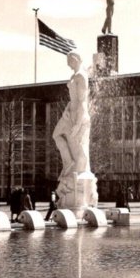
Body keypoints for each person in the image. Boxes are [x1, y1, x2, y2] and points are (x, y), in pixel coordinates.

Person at [53, 51, 92, 181]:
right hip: (70, 112)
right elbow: (72, 100)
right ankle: (68, 162)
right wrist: (66, 110)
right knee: (56, 134)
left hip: (78, 115)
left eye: (69, 62)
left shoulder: (81, 76)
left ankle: (72, 164)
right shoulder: (74, 76)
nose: (69, 65)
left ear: (75, 59)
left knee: (79, 150)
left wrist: (78, 124)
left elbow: (82, 101)